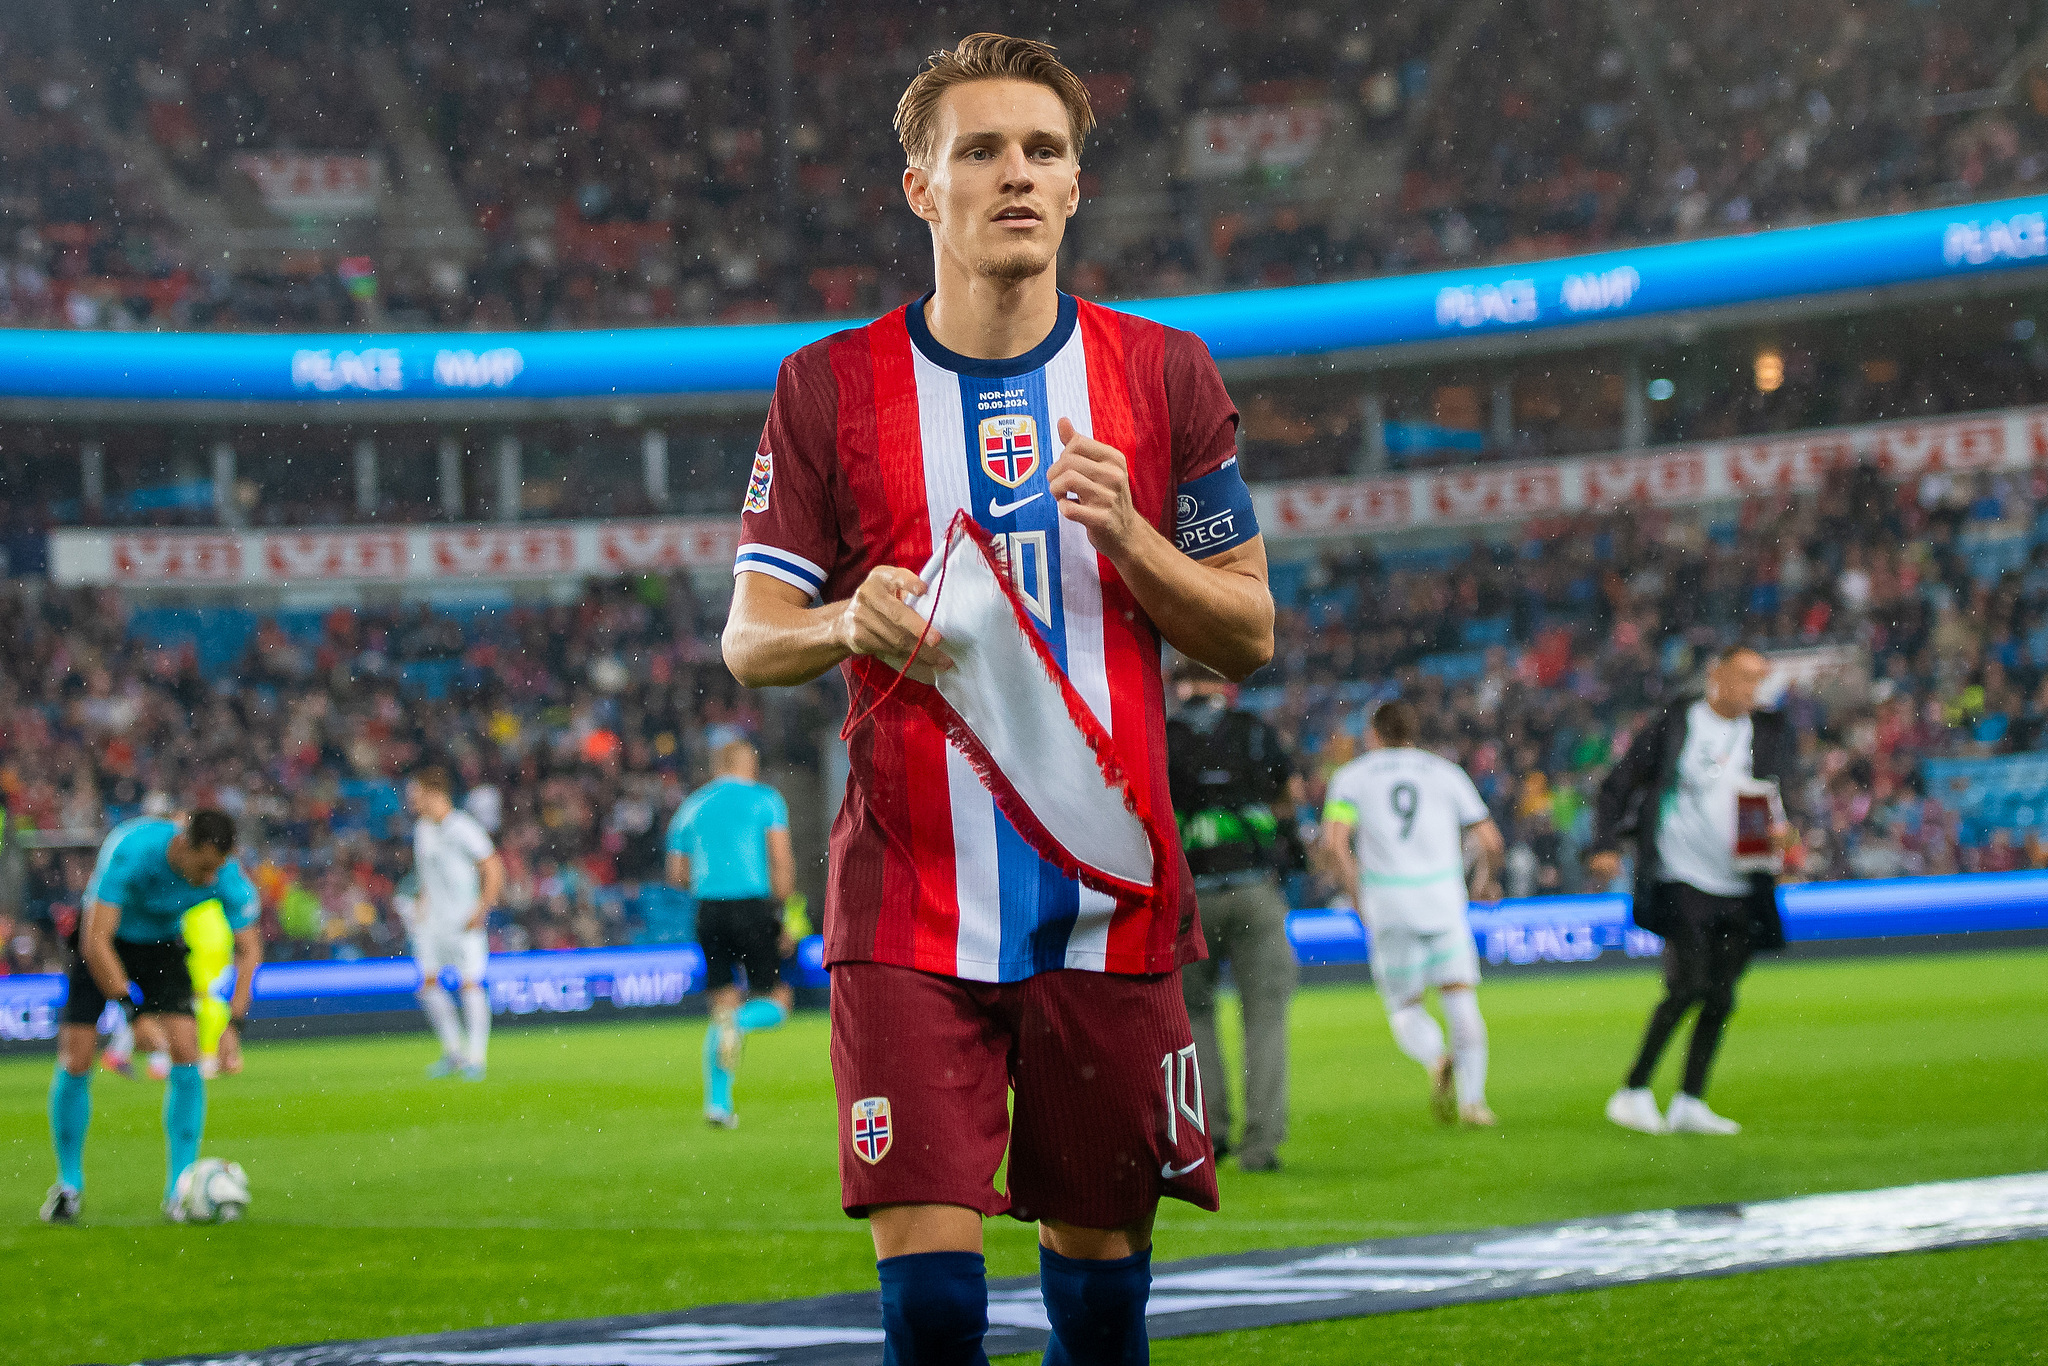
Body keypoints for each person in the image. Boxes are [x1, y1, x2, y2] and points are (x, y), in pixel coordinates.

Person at [720, 33, 1274, 1366]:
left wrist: (1136, 538)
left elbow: (1249, 629)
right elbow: (750, 637)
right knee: (932, 1305)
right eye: (980, 150)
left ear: (1078, 185)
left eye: (1043, 150)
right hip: (910, 903)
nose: (1015, 174)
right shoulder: (827, 386)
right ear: (923, 188)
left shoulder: (1168, 374)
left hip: (1111, 907)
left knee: (1099, 1299)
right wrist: (845, 617)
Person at [1588, 643, 1796, 1137]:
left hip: (1741, 881)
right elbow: (1618, 783)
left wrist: (1783, 833)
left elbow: (1770, 796)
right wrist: (1604, 842)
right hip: (1680, 875)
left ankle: (1689, 1101)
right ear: (1716, 676)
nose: (1754, 689)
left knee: (1722, 995)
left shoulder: (1766, 733)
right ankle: (1633, 1091)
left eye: (1759, 680)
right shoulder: (1676, 723)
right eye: (1745, 677)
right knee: (1688, 985)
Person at [42, 810, 261, 1224]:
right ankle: (68, 1185)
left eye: (219, 867)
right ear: (184, 845)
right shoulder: (132, 850)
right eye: (205, 867)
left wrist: (235, 1024)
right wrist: (133, 1013)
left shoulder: (226, 876)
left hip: (161, 946)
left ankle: (180, 1188)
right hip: (104, 944)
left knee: (186, 1050)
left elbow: (249, 950)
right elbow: (96, 939)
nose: (212, 878)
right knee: (77, 1058)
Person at [1320, 702, 1505, 1127]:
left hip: (1388, 904)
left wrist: (1356, 895)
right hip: (1443, 901)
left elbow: (1334, 843)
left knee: (1405, 1006)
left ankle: (1435, 1057)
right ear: (1413, 730)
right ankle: (1474, 1104)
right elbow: (1491, 841)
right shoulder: (1445, 773)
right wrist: (1482, 884)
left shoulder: (1352, 778)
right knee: (1461, 999)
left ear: (1373, 734)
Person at [1167, 661, 1302, 1173]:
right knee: (1264, 1018)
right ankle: (1262, 1144)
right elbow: (1286, 801)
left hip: (1191, 896)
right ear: (1224, 685)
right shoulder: (1254, 731)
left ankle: (1209, 1135)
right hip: (1252, 887)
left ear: (1180, 687)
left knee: (1194, 1016)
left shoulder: (1163, 734)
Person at [666, 736, 797, 1128]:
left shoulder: (691, 807)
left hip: (709, 911)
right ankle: (738, 1023)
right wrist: (786, 914)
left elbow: (676, 875)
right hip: (752, 906)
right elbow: (781, 860)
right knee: (778, 1001)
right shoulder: (765, 800)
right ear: (746, 764)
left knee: (721, 1003)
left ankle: (717, 1105)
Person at [405, 767, 504, 1081]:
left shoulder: (462, 827)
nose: (411, 801)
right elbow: (426, 875)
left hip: (463, 920)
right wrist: (422, 903)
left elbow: (492, 865)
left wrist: (483, 907)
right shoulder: (422, 829)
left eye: (415, 794)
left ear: (434, 793)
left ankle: (476, 1058)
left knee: (470, 984)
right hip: (432, 923)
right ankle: (453, 1053)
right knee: (429, 987)